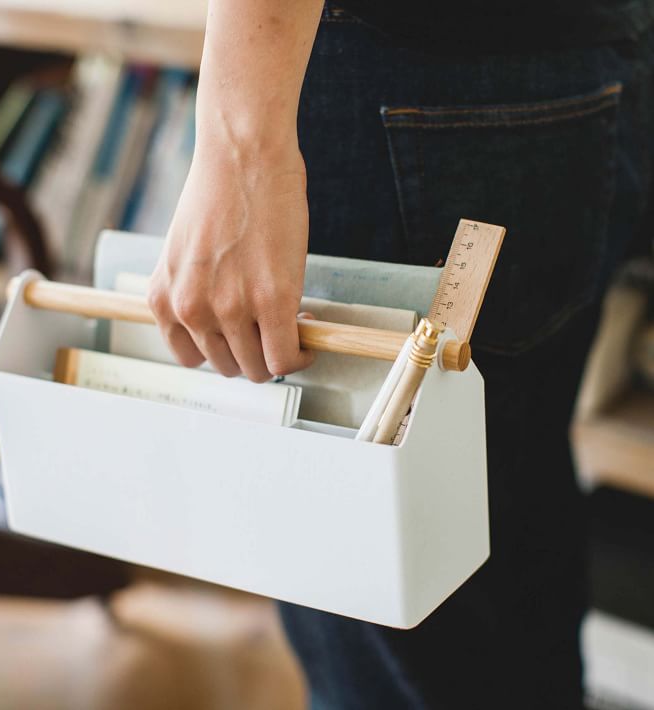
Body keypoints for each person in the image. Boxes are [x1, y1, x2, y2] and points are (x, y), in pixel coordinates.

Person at [148, 1, 654, 707]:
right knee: (502, 558)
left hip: (407, 77)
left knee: (396, 618)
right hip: (569, 67)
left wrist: (242, 147)